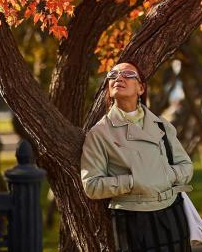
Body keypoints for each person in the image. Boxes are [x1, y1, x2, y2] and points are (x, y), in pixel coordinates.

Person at [81, 62, 194, 252]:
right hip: (131, 219)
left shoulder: (161, 125)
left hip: (172, 214)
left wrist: (164, 175)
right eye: (113, 74)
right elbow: (91, 185)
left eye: (127, 74)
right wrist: (134, 181)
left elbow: (186, 166)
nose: (119, 77)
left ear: (141, 88)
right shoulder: (99, 133)